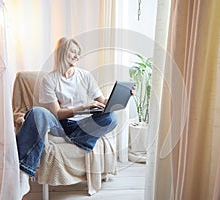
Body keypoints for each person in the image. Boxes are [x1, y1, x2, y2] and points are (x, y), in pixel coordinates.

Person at [16, 37, 135, 199]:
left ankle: (77, 139)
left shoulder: (85, 76)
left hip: (84, 124)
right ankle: (23, 170)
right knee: (37, 112)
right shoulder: (49, 80)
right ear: (62, 52)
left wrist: (121, 96)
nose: (76, 56)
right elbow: (57, 114)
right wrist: (83, 106)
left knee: (111, 118)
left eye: (78, 53)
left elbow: (102, 101)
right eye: (73, 51)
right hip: (61, 125)